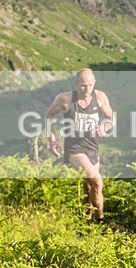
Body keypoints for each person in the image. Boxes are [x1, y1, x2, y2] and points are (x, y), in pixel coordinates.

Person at [45, 68, 114, 223]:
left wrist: (104, 128)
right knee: (96, 180)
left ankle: (86, 221)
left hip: (92, 147)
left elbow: (111, 119)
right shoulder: (65, 99)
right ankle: (102, 220)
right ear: (76, 84)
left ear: (94, 83)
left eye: (90, 85)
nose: (87, 89)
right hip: (74, 148)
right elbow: (49, 115)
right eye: (83, 85)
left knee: (89, 187)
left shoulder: (100, 97)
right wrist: (52, 140)